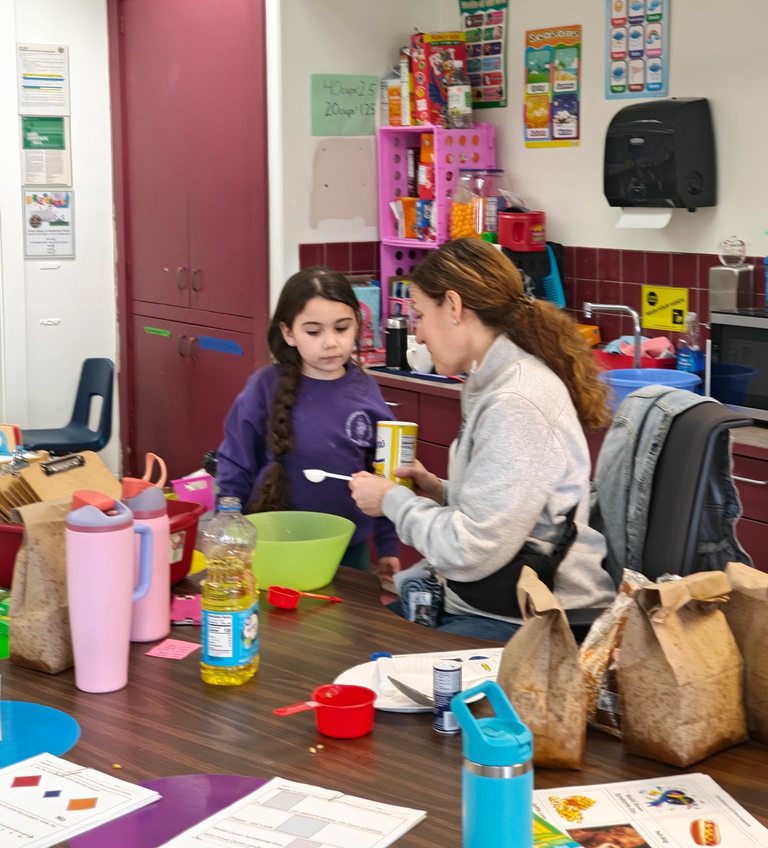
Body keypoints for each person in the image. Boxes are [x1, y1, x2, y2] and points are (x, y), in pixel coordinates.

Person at [349, 238, 616, 639]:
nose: (417, 336)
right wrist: (439, 491)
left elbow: (470, 548)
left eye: (419, 315)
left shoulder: (516, 400)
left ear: (454, 307)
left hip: (531, 618)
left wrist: (392, 501)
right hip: (496, 600)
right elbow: (513, 510)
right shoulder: (492, 380)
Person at [217, 266, 400, 584]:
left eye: (342, 328)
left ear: (358, 324)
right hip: (272, 542)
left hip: (347, 547)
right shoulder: (264, 387)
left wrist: (388, 547)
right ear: (289, 333)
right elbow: (235, 462)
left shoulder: (366, 391)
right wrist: (229, 526)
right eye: (314, 332)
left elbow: (385, 476)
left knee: (341, 626)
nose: (330, 343)